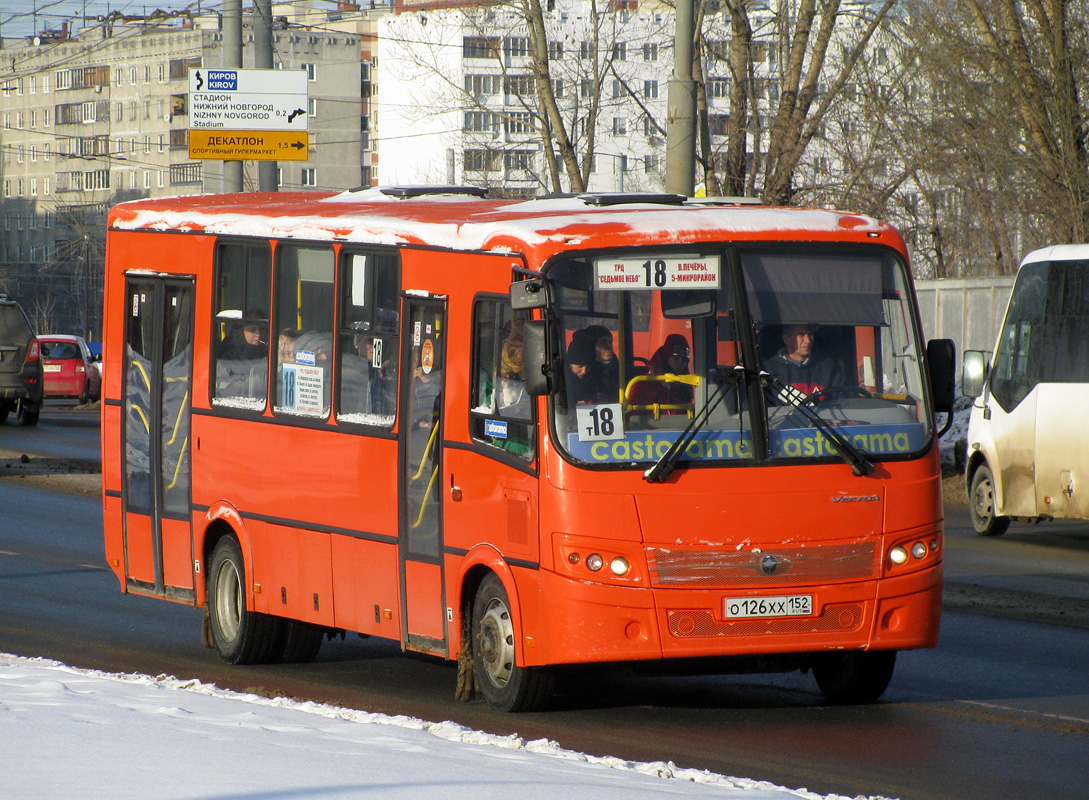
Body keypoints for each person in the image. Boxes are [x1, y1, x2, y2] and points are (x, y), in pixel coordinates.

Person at [761, 323, 844, 401]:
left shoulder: (828, 366)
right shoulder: (769, 369)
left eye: (810, 334)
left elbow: (841, 402)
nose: (808, 340)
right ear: (786, 339)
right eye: (801, 334)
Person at [630, 333, 694, 411]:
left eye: (684, 360)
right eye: (676, 358)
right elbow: (634, 414)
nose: (680, 364)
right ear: (666, 357)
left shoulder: (686, 385)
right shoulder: (643, 382)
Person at [575, 325, 620, 402]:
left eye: (610, 342)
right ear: (590, 346)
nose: (609, 346)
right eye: (603, 343)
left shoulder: (618, 368)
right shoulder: (584, 372)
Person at [565, 336, 604, 406]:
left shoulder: (598, 378)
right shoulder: (562, 382)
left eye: (588, 367)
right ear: (569, 364)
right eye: (580, 366)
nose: (584, 371)